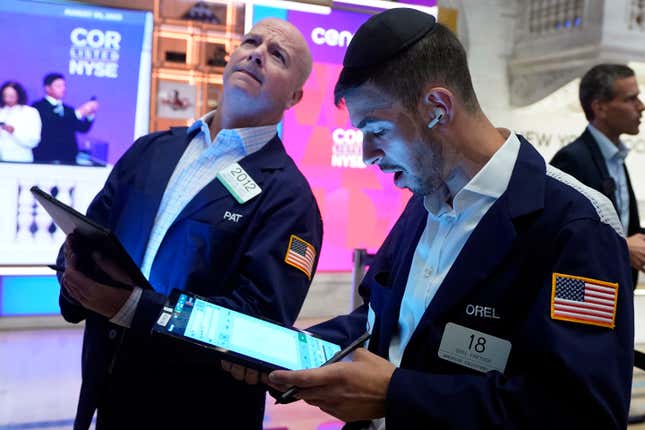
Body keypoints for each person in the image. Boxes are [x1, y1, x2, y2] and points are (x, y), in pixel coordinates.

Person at [229, 8, 633, 429]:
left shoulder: (577, 226)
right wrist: (294, 349)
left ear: (438, 107)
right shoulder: (426, 201)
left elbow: (582, 413)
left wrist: (396, 394)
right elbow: (384, 321)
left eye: (377, 130)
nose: (367, 154)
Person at [57, 18, 322, 430]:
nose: (257, 54)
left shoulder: (289, 198)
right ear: (230, 58)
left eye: (277, 55)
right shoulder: (151, 151)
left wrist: (133, 309)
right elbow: (89, 234)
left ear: (294, 96)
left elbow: (257, 327)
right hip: (109, 396)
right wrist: (76, 280)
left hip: (200, 410)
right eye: (251, 42)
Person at [551, 64, 645, 289]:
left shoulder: (614, 158)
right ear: (600, 107)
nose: (641, 106)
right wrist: (621, 247)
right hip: (585, 299)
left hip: (616, 290)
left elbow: (622, 227)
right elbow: (556, 234)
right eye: (630, 99)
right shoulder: (572, 160)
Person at [32, 73, 98, 164]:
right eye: (59, 86)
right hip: (46, 157)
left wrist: (90, 114)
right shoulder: (38, 107)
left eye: (64, 86)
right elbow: (55, 124)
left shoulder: (68, 109)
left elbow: (82, 128)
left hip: (69, 158)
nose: (63, 89)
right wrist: (80, 112)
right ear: (47, 88)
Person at [0, 81, 41, 162]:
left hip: (20, 159)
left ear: (19, 95)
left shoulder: (30, 112)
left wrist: (14, 131)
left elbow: (34, 140)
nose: (7, 99)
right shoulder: (1, 111)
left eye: (11, 96)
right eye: (5, 96)